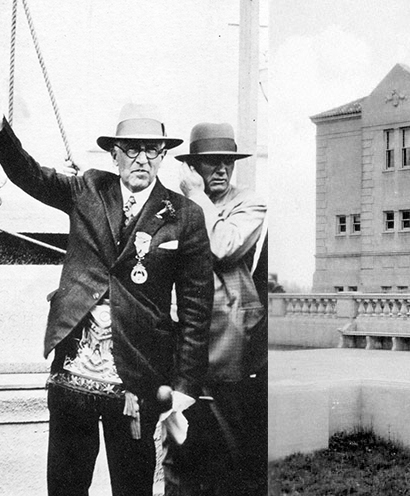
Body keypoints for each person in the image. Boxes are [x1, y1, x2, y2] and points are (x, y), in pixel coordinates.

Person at [0, 104, 213, 496]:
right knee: (66, 485)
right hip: (73, 369)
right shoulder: (87, 189)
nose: (142, 158)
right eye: (132, 148)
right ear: (114, 154)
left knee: (133, 485)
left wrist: (185, 383)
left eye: (152, 150)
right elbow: (29, 174)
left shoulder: (184, 216)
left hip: (138, 376)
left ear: (162, 156)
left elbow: (196, 306)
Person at [166, 122, 268, 496]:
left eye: (228, 161)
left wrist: (197, 199)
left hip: (230, 352)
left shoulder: (249, 203)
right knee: (180, 450)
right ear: (194, 166)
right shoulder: (171, 208)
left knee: (230, 453)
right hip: (183, 346)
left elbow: (225, 247)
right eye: (211, 162)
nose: (222, 169)